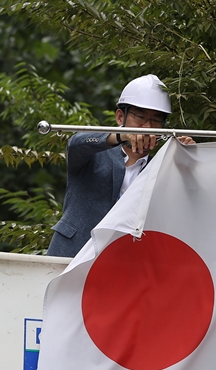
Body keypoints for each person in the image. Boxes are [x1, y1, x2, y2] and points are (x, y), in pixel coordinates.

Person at [47, 74, 194, 257]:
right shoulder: (93, 154)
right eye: (140, 117)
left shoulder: (160, 170)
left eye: (156, 120)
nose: (148, 128)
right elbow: (76, 143)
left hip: (122, 265)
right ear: (119, 117)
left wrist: (189, 160)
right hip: (71, 256)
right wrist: (121, 136)